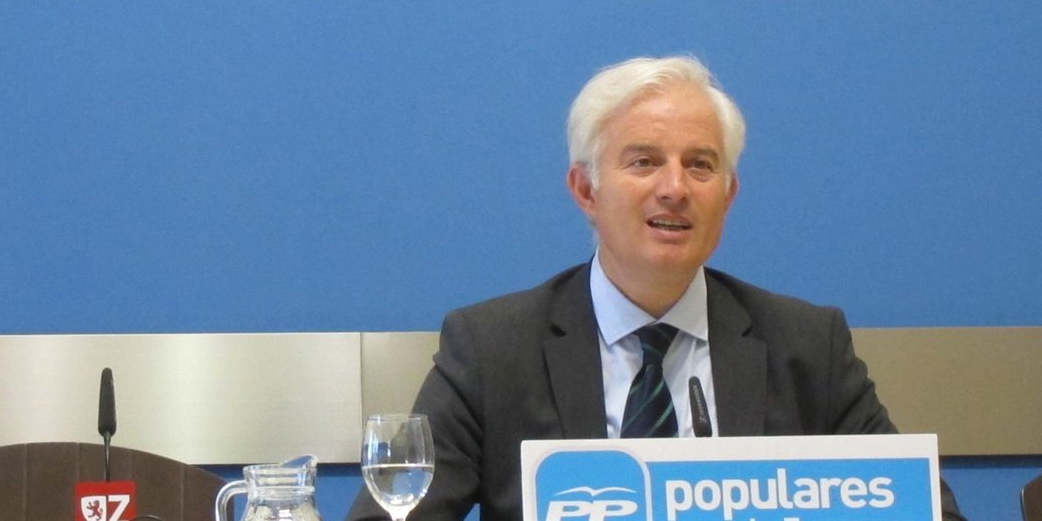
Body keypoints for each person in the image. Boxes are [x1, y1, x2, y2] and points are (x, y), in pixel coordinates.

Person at [346, 55, 964, 521]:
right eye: (643, 162)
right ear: (585, 190)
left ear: (728, 194)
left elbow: (926, 511)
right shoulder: (492, 349)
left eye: (700, 165)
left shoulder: (807, 347)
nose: (675, 188)